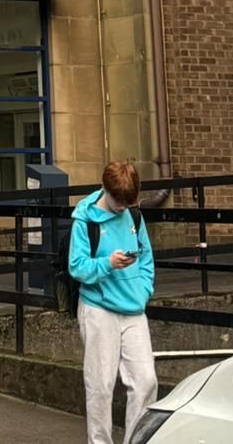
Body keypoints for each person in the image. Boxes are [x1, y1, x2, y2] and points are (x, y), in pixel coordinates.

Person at [68, 159, 157, 444]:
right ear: (106, 189)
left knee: (146, 381)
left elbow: (145, 256)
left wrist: (144, 289)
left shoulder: (133, 216)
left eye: (127, 203)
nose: (122, 208)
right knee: (101, 385)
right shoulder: (86, 219)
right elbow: (77, 267)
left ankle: (136, 441)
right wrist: (107, 263)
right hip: (99, 308)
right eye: (119, 202)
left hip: (133, 308)